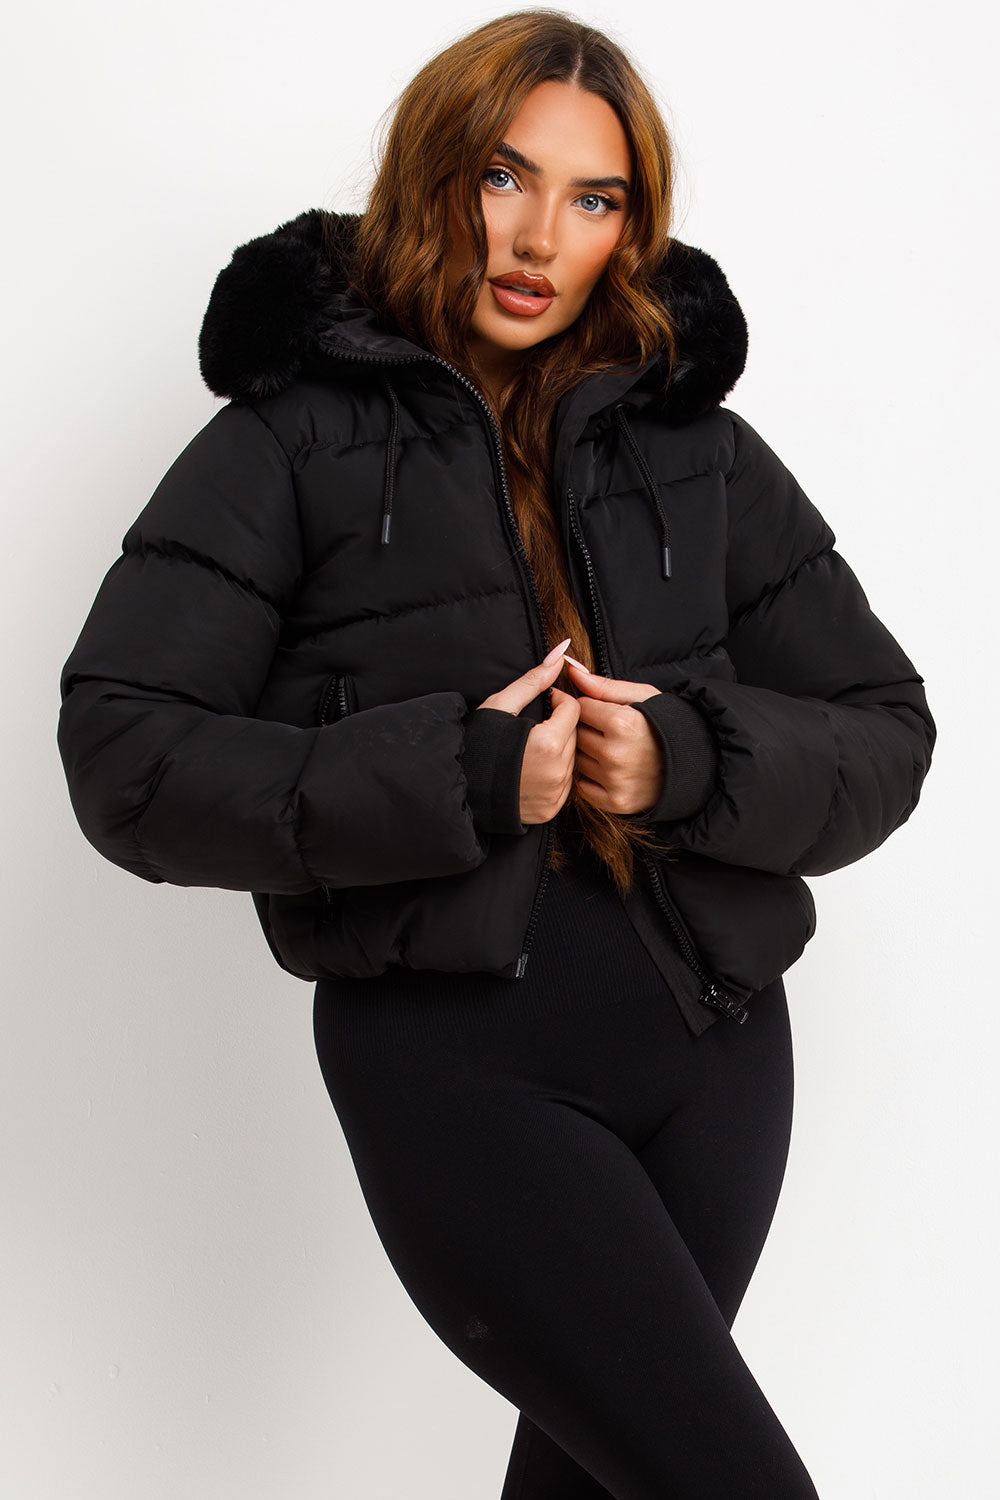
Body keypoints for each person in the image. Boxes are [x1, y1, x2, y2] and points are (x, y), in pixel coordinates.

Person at [56, 11, 935, 1498]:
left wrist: (684, 760)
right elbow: (125, 756)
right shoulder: (286, 443)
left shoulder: (697, 448)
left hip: (717, 1050)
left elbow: (886, 728)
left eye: (595, 200)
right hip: (460, 1067)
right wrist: (458, 777)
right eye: (505, 178)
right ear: (434, 175)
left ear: (630, 229)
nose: (538, 239)